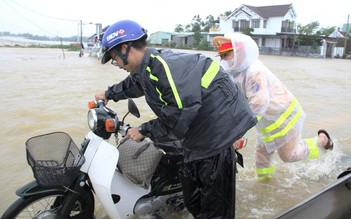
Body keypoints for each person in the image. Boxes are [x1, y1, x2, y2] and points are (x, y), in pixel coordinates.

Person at [95, 20, 257, 218]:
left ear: (124, 48)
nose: (117, 64)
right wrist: (109, 94)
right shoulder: (147, 68)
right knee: (193, 199)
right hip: (199, 128)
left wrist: (144, 130)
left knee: (214, 208)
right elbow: (135, 84)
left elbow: (178, 119)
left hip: (218, 129)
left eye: (114, 58)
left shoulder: (165, 68)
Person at [212, 33, 334, 181]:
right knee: (261, 156)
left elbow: (259, 103)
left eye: (227, 55)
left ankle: (321, 141)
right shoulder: (235, 72)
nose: (224, 60)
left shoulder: (254, 71)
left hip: (284, 118)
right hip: (265, 122)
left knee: (289, 156)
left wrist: (238, 133)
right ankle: (265, 184)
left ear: (240, 53)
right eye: (221, 56)